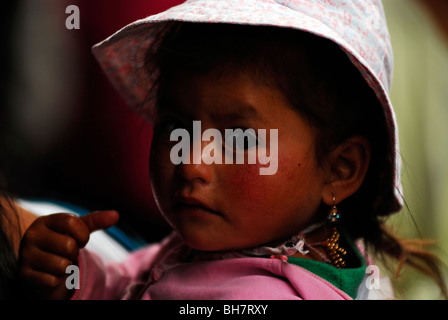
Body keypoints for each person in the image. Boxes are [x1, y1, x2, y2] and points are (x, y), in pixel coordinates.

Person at [17, 0, 447, 300]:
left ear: (339, 170)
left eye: (238, 139)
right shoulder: (212, 249)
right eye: (176, 127)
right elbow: (126, 282)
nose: (192, 162)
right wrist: (71, 275)